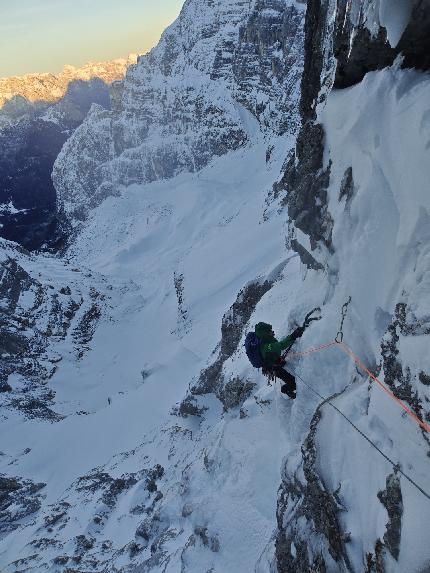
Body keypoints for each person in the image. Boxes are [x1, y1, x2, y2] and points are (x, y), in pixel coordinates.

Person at [254, 321, 305, 398]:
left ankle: (286, 386)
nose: (272, 331)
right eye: (269, 331)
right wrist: (293, 336)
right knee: (293, 383)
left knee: (289, 378)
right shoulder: (265, 346)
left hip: (274, 362)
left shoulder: (266, 340)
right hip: (273, 368)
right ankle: (285, 389)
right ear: (265, 333)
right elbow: (280, 346)